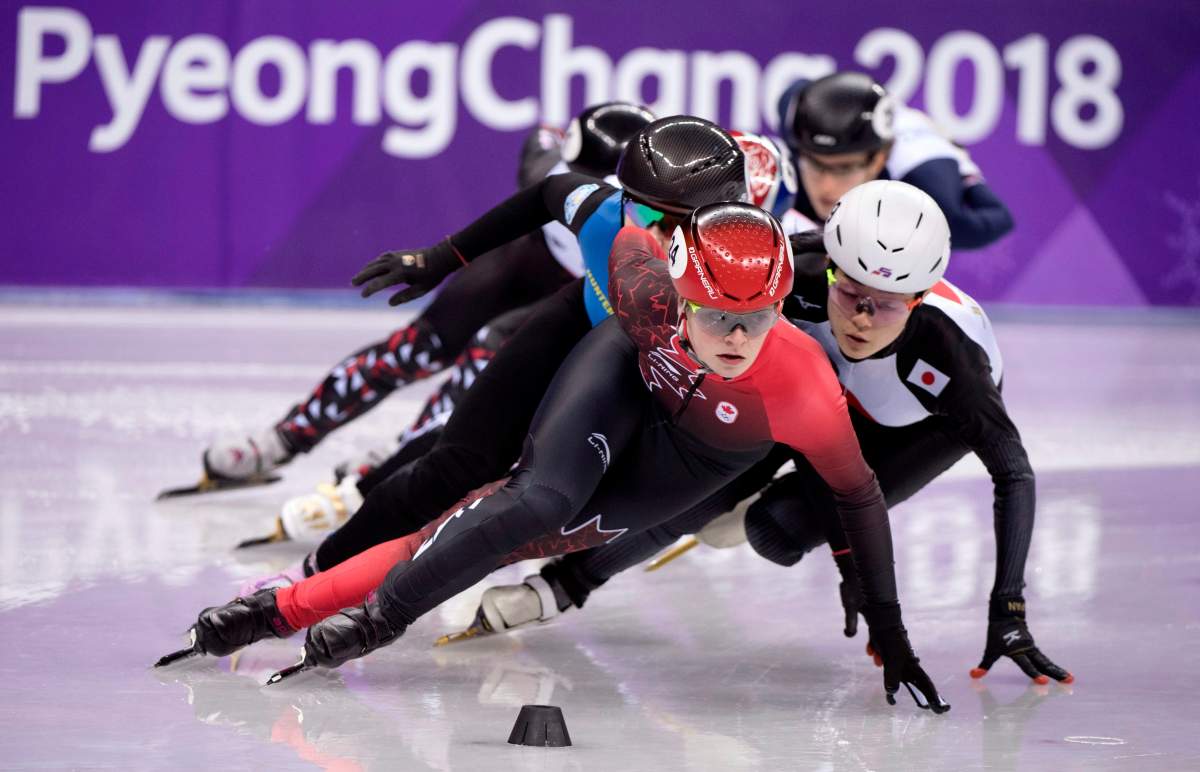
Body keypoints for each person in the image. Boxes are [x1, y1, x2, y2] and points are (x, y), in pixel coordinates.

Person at [161, 201, 948, 713]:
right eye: (717, 316)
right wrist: (441, 257)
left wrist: (893, 629)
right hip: (624, 375)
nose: (739, 338)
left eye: (761, 316)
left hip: (694, 457)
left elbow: (860, 499)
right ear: (677, 290)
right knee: (527, 502)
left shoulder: (803, 392)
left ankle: (317, 612)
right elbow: (568, 195)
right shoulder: (643, 277)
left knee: (520, 529)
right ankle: (307, 613)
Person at [473, 180, 1071, 686]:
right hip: (812, 390)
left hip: (909, 427)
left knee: (774, 532)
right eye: (850, 291)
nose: (861, 318)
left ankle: (746, 516)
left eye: (885, 305)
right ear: (828, 267)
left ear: (918, 300)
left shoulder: (954, 361)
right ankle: (562, 586)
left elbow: (1013, 474)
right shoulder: (792, 269)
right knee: (703, 483)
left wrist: (1008, 608)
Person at [182, 102, 655, 492]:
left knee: (490, 357)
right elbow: (544, 136)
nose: (593, 201)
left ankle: (399, 456)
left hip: (588, 291)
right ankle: (284, 439)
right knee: (417, 346)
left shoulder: (658, 217)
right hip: (524, 263)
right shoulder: (543, 167)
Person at [778, 71, 1013, 249]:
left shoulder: (922, 175)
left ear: (878, 160)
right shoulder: (796, 119)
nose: (826, 184)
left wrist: (966, 172)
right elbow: (795, 89)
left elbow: (999, 218)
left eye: (844, 167)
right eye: (815, 163)